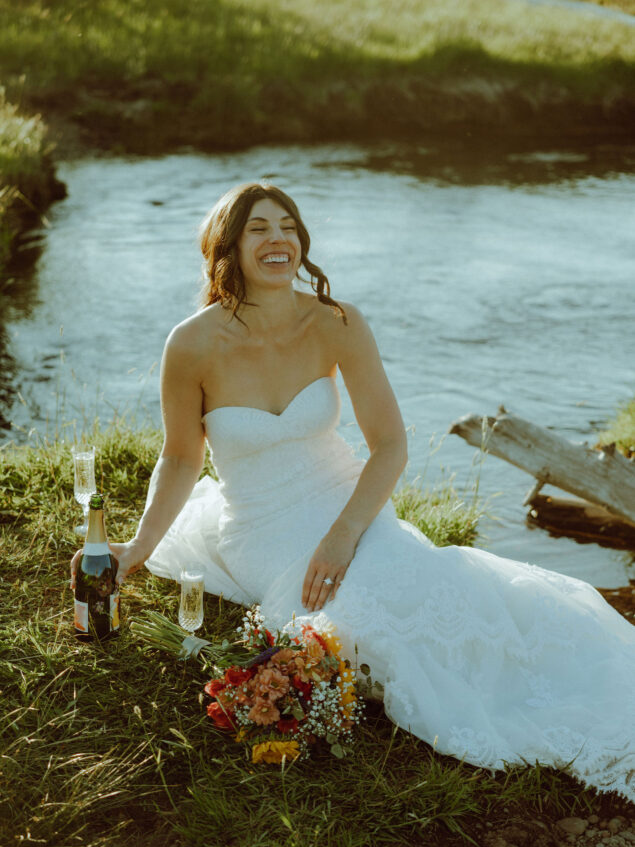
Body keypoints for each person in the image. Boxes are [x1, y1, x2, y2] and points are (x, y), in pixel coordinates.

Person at [71, 182, 635, 802]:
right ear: (227, 247)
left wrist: (343, 534)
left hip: (349, 505)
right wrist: (137, 548)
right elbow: (181, 456)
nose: (278, 238)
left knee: (439, 587)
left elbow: (390, 444)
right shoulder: (191, 344)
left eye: (288, 225)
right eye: (258, 228)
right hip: (261, 525)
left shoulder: (336, 322)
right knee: (359, 620)